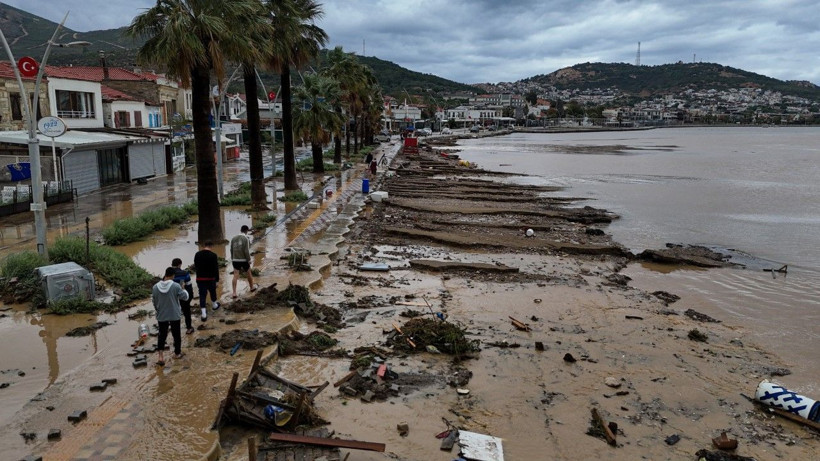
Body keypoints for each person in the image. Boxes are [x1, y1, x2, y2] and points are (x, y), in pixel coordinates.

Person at [152, 267, 190, 366]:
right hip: (174, 314)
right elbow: (185, 297)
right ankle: (177, 353)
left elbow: (154, 302)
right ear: (173, 275)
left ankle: (160, 356)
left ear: (165, 274)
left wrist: (158, 310)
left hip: (162, 314)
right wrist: (183, 289)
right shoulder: (176, 286)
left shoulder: (155, 287)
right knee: (176, 334)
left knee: (162, 335)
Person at [193, 244, 220, 321]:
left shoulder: (197, 254)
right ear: (211, 246)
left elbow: (196, 266)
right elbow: (216, 268)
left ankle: (204, 314)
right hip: (211, 278)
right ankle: (214, 305)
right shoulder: (213, 255)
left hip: (200, 278)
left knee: (202, 295)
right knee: (212, 291)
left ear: (203, 246)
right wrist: (217, 280)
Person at [230, 225, 256, 298]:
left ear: (240, 230)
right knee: (249, 273)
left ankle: (234, 293)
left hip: (235, 260)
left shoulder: (233, 238)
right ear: (246, 230)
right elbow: (246, 251)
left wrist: (232, 258)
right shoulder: (246, 238)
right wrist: (249, 260)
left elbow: (231, 249)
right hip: (244, 260)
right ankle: (252, 288)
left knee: (235, 275)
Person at [171, 258, 195, 334]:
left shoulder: (168, 273)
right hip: (183, 296)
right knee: (187, 312)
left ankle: (174, 330)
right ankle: (189, 328)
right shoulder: (185, 273)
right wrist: (189, 297)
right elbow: (189, 286)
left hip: (172, 297)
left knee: (174, 314)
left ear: (172, 264)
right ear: (180, 264)